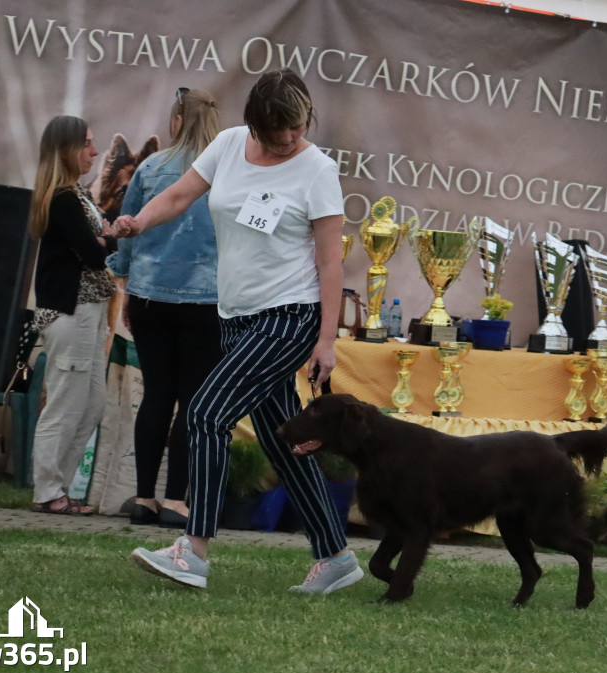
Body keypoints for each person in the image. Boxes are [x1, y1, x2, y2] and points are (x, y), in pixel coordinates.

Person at [111, 69, 362, 593]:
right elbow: (179, 197)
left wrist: (325, 340)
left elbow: (330, 263)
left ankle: (193, 550)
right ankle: (336, 556)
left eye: (298, 127)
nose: (292, 138)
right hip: (235, 317)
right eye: (280, 131)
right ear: (256, 123)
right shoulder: (227, 146)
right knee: (282, 439)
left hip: (289, 317)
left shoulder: (318, 169)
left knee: (205, 412)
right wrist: (137, 222)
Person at [106, 88, 224, 529]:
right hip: (206, 301)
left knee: (157, 395)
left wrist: (126, 283)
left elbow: (129, 227)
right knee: (194, 401)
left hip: (150, 296)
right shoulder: (225, 170)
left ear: (176, 121)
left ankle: (143, 499)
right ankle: (177, 500)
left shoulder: (152, 167)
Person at [29, 115, 117, 515]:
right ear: (66, 149)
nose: (94, 152)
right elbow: (95, 254)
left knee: (92, 405)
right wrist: (112, 235)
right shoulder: (63, 199)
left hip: (92, 310)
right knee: (65, 404)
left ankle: (59, 487)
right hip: (72, 310)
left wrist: (105, 235)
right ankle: (47, 491)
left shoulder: (77, 196)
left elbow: (94, 245)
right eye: (86, 144)